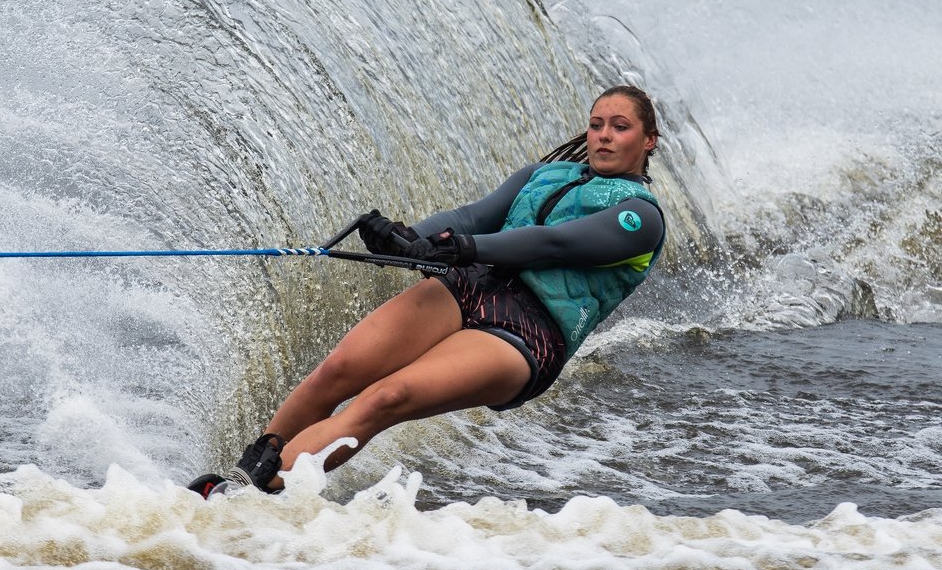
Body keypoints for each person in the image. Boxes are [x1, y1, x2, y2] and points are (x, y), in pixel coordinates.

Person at [189, 85, 666, 497]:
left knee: (385, 398)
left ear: (648, 140)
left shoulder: (640, 217)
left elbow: (554, 243)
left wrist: (464, 248)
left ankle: (256, 498)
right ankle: (242, 476)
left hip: (528, 329)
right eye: (596, 124)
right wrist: (408, 238)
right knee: (340, 370)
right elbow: (470, 217)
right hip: (468, 284)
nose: (603, 135)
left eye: (619, 127)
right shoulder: (542, 176)